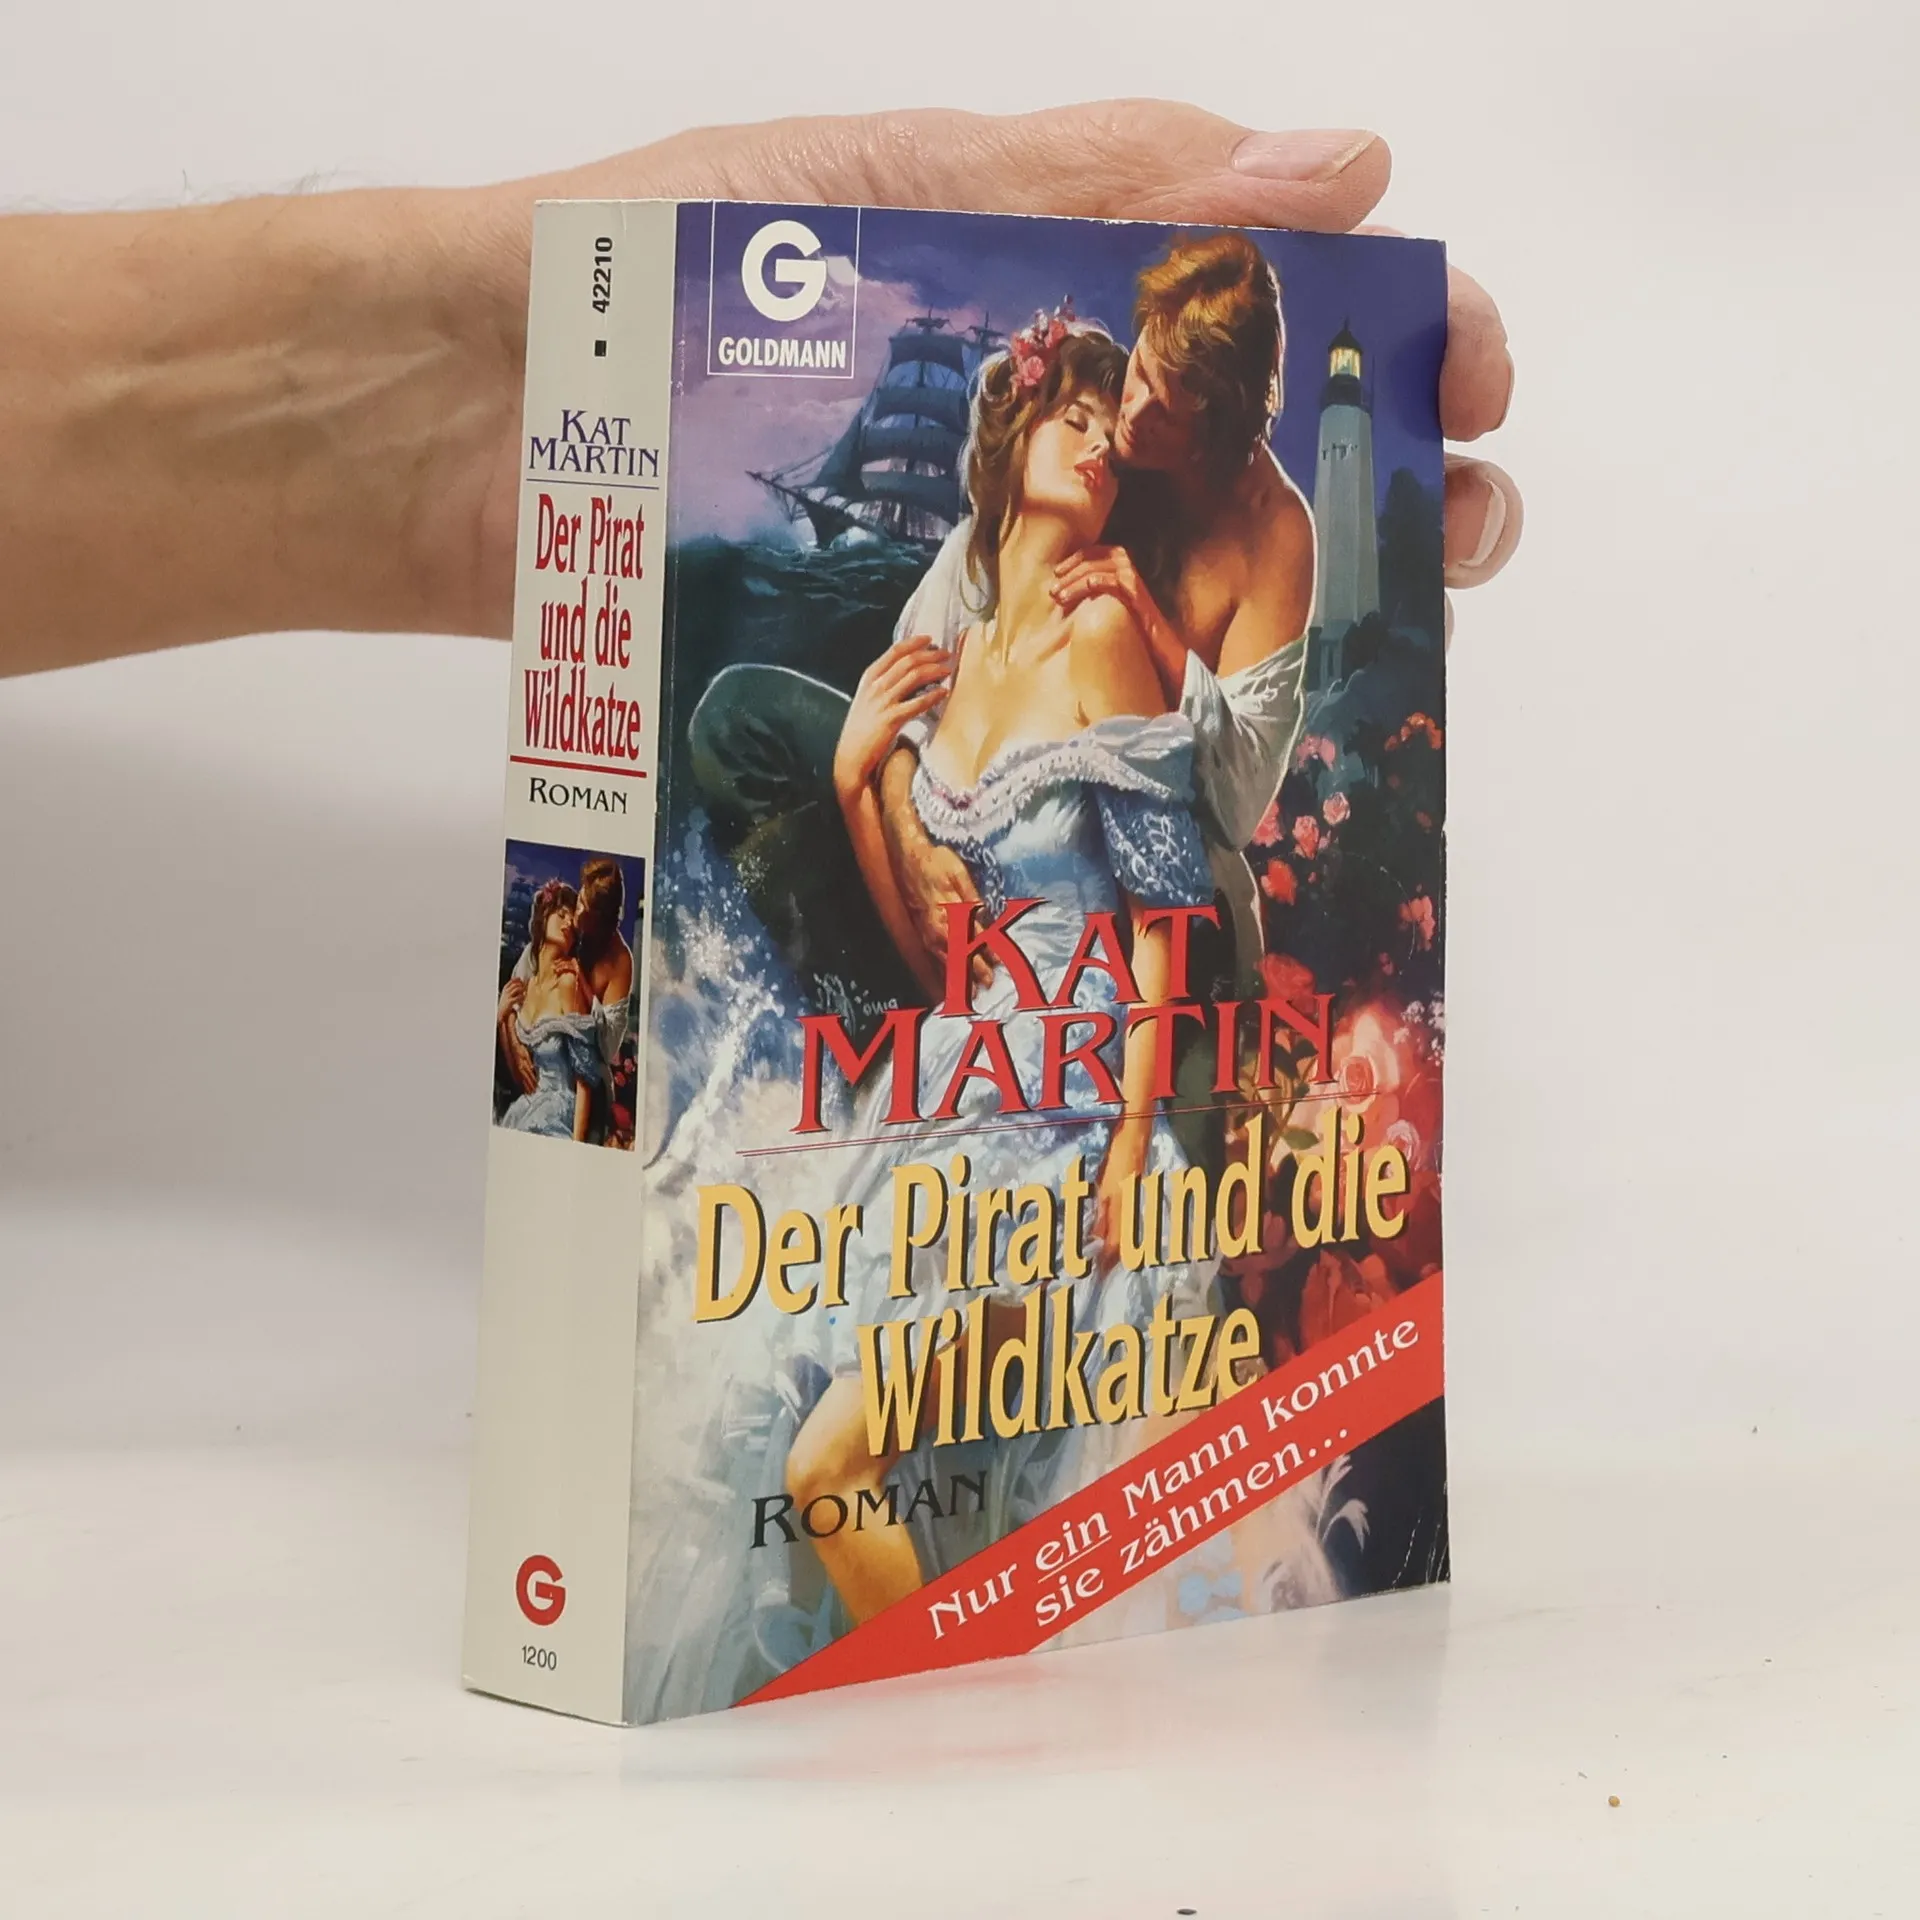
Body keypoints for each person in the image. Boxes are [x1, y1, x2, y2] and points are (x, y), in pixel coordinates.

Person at [0, 104, 1520, 679]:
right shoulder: (975, 546)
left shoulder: (1184, 566)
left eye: (1142, 414)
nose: (1118, 423)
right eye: (1098, 400)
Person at [780, 319, 1222, 1624]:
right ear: (1011, 437)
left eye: (1109, 435)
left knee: (833, 1468)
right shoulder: (961, 659)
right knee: (865, 1480)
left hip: (1073, 1125)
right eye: (1070, 420)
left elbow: (1165, 913)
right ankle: (946, 1705)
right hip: (963, 1103)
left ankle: (928, 1708)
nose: (1096, 446)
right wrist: (854, 782)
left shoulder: (1103, 633)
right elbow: (937, 954)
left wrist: (1132, 1145)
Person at [880, 232, 1315, 992]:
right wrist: (906, 841)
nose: (1131, 416)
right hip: (981, 826)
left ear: (1216, 436)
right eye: (1141, 370)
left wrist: (1146, 619)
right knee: (746, 720)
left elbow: (1239, 805)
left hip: (1136, 898)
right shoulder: (1092, 450)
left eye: (1167, 413)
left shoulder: (1272, 534)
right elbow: (914, 696)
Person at [497, 856, 636, 1115]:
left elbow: (606, 1048)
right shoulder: (556, 938)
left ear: (602, 920)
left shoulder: (619, 961)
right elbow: (512, 998)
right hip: (533, 1076)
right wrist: (515, 1047)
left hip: (577, 1087)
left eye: (585, 908)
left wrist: (581, 982)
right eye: (579, 900)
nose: (575, 914)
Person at [495, 881, 604, 1143]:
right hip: (527, 1103)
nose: (568, 923)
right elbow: (519, 1073)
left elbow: (584, 1080)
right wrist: (500, 1017)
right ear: (543, 918)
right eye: (561, 914)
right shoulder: (526, 986)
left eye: (572, 920)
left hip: (559, 1110)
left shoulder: (567, 981)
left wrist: (577, 1146)